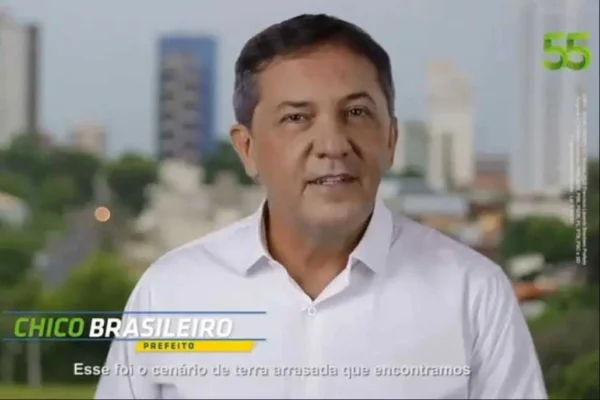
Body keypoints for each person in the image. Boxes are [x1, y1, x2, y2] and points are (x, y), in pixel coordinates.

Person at [95, 14, 547, 399]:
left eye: (356, 113)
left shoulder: (473, 294)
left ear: (391, 139)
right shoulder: (171, 294)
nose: (333, 144)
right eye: (297, 118)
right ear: (247, 148)